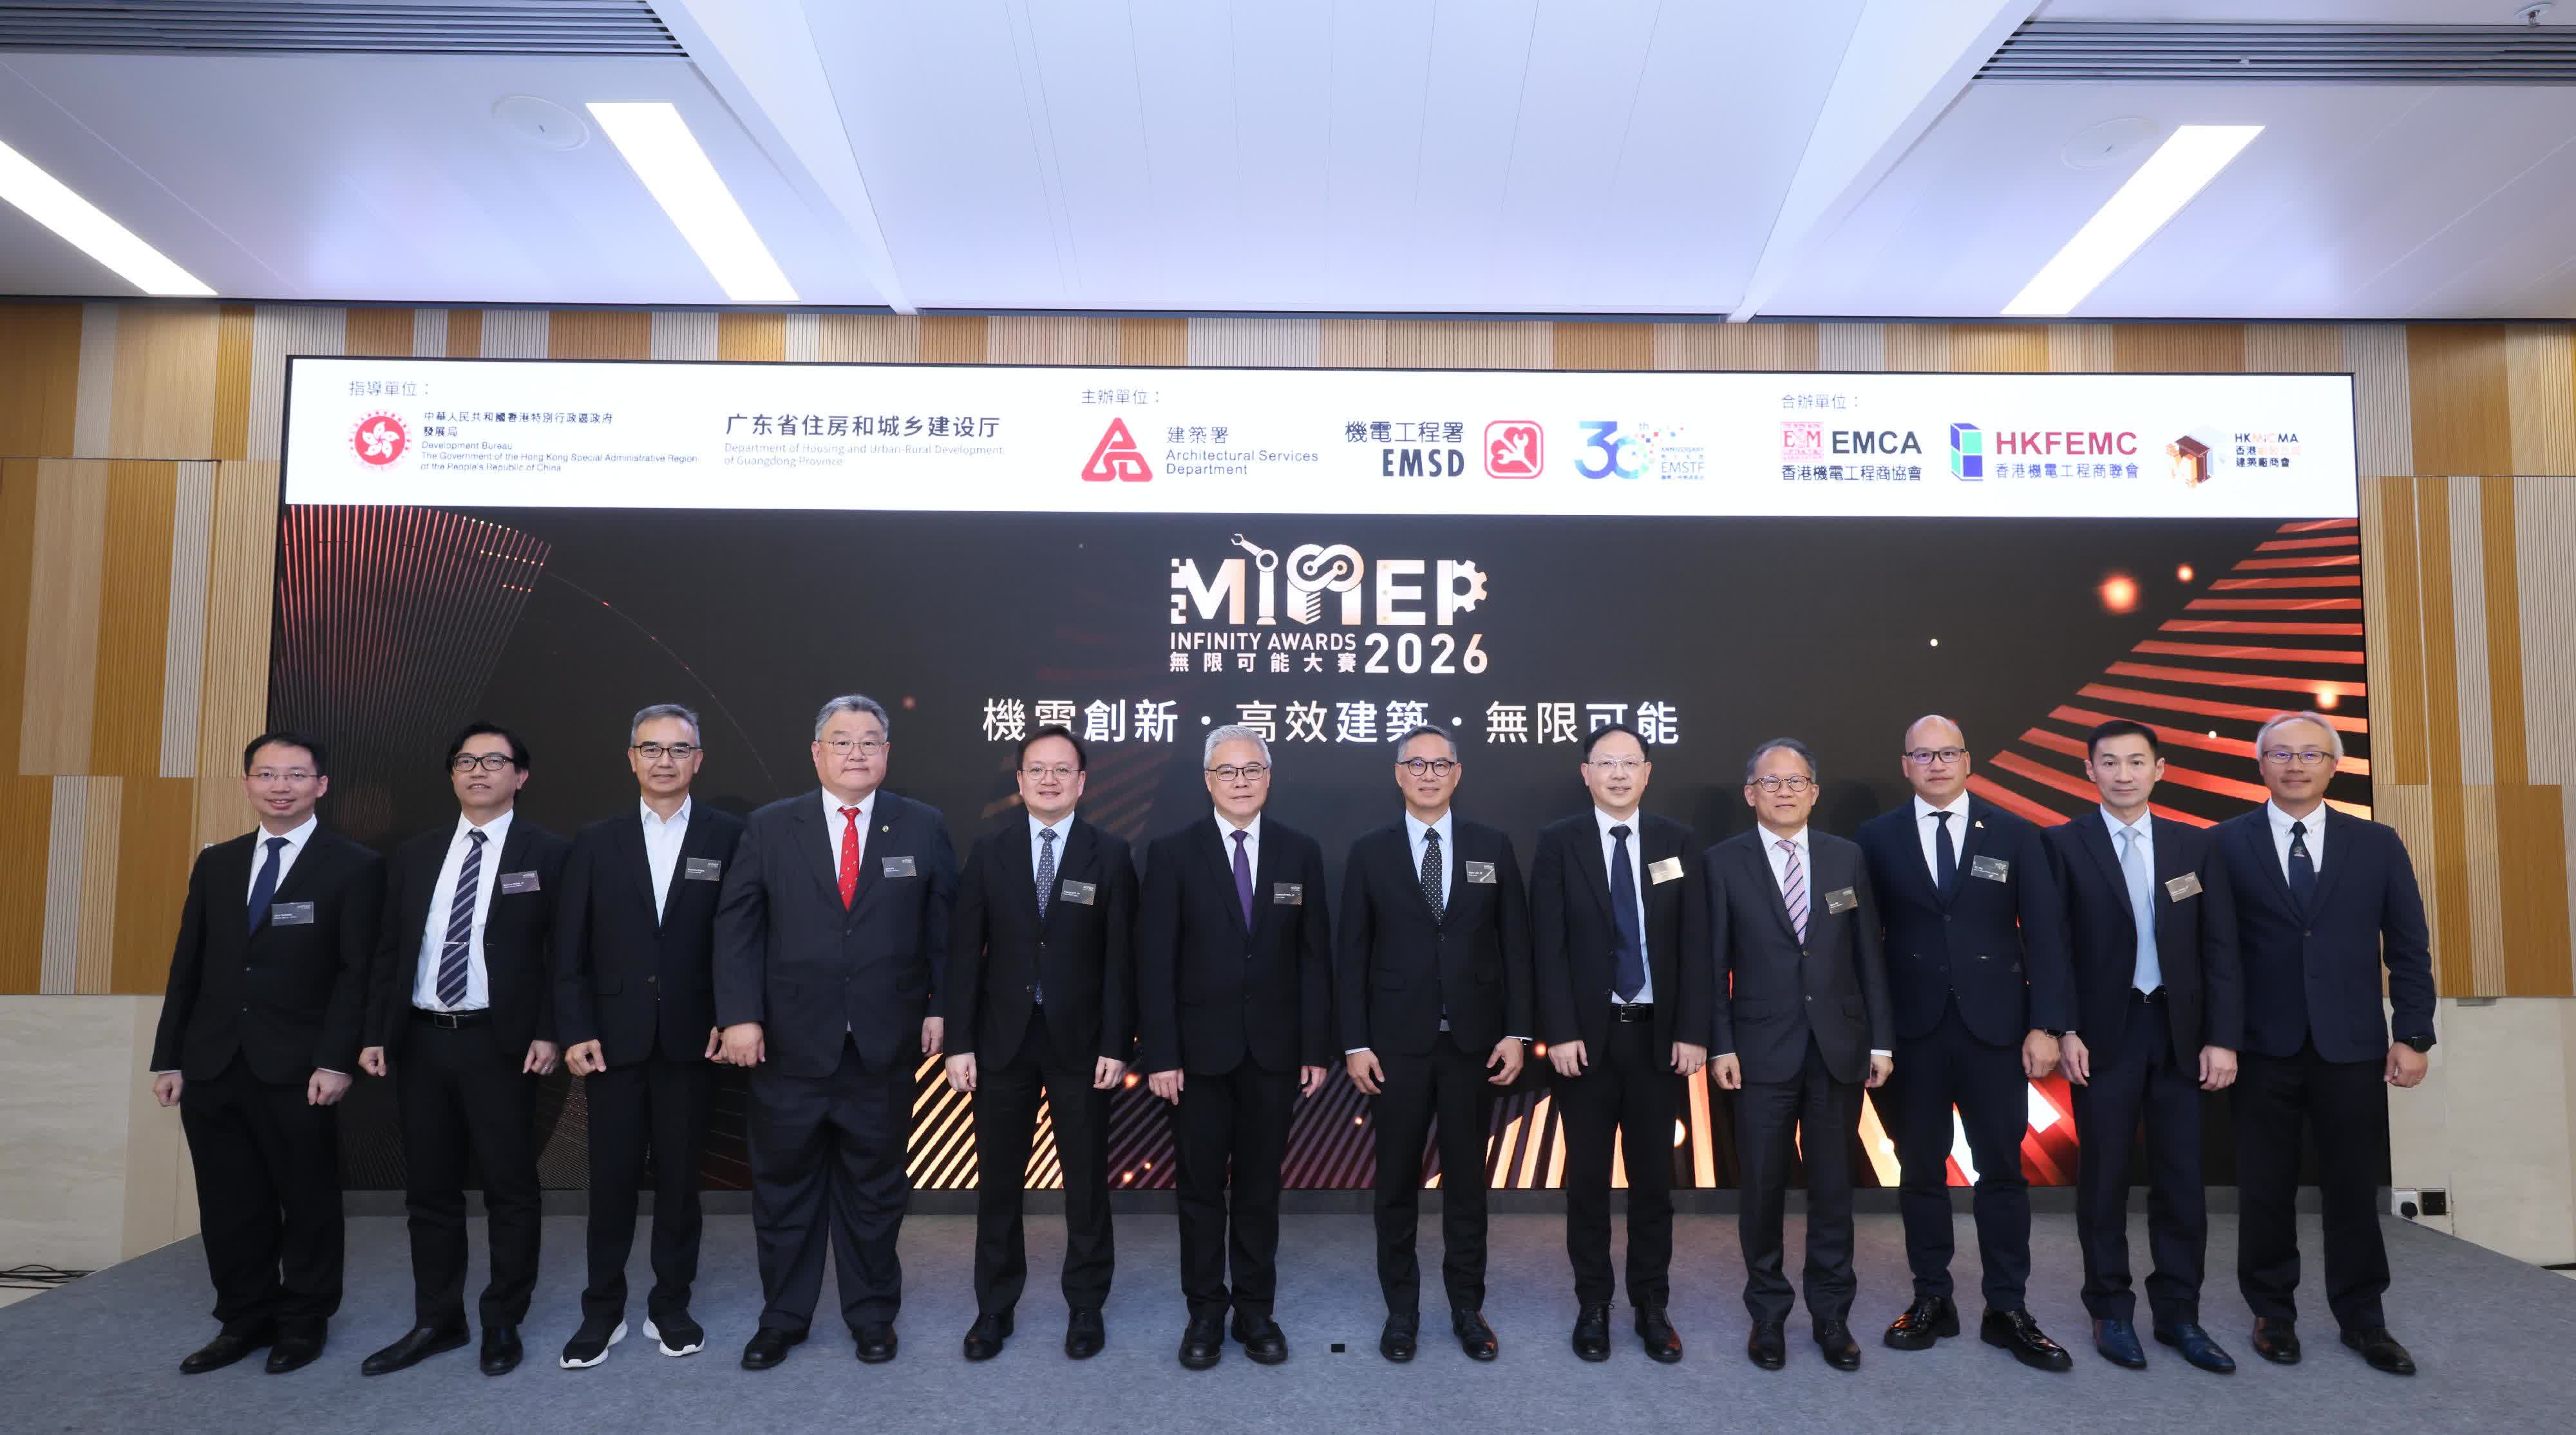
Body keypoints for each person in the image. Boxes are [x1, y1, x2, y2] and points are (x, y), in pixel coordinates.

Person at [714, 694, 957, 1370]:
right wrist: (739, 1015)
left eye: (870, 741)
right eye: (842, 741)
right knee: (784, 1189)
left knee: (875, 1191)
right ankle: (783, 1318)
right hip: (787, 1044)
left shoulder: (922, 825)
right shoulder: (771, 826)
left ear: (887, 753)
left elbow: (945, 930)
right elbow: (737, 928)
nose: (857, 753)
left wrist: (941, 1007)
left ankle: (872, 1315)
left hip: (883, 1044)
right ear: (816, 753)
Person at [152, 732, 385, 1376]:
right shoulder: (218, 863)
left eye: (296, 775)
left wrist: (336, 1060)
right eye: (266, 774)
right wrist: (169, 1057)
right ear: (248, 783)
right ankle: (243, 1318)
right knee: (229, 1202)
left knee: (307, 1201)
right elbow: (188, 966)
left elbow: (357, 973)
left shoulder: (356, 865)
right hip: (213, 1063)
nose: (280, 786)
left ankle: (304, 1321)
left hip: (300, 1067)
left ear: (321, 786)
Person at [2216, 710, 2434, 1376]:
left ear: (2334, 766)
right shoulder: (2222, 843)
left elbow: (2408, 945)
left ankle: (2363, 1319)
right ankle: (2271, 1312)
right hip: (2260, 1046)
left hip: (2352, 1046)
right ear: (2261, 764)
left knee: (2352, 1188)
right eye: (2281, 754)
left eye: (2311, 754)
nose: (2296, 765)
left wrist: (2413, 1033)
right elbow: (2213, 952)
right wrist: (2218, 1037)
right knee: (2264, 1188)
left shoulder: (2376, 843)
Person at [1853, 716, 2070, 1370]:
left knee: (2001, 1171)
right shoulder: (1876, 838)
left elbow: (2046, 933)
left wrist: (2047, 1024)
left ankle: (2007, 1306)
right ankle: (1932, 1298)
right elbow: (1862, 944)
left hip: (1997, 1030)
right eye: (1923, 754)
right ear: (1905, 765)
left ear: (1967, 760)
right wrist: (1874, 1035)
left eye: (1947, 752)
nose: (1937, 763)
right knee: (1920, 1170)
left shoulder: (2014, 833)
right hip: (1912, 1033)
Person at [359, 722, 569, 1378]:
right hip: (422, 1040)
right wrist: (375, 1031)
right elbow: (390, 950)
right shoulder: (415, 854)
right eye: (465, 761)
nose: (478, 771)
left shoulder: (550, 853)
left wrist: (550, 1029)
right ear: (452, 774)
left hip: (501, 1044)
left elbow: (564, 953)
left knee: (510, 1187)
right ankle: (437, 1318)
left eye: (493, 761)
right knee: (429, 1189)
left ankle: (503, 1317)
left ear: (520, 776)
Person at [2040, 718, 2240, 1373]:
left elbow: (2220, 947)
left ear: (2159, 769)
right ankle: (2111, 1310)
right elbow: (2050, 945)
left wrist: (2222, 1037)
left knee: (2181, 1181)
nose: (2122, 774)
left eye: (2135, 761)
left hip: (2181, 1033)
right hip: (2103, 1034)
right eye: (2109, 762)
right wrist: (2064, 1028)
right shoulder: (2061, 844)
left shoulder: (2195, 845)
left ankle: (2179, 1314)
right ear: (2089, 770)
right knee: (2103, 1179)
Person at [551, 704, 745, 1367]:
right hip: (611, 1040)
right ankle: (601, 1311)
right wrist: (575, 1028)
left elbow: (741, 938)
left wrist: (731, 1013)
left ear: (699, 759)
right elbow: (569, 948)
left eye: (679, 749)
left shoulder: (730, 837)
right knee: (610, 1181)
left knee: (681, 1184)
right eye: (652, 748)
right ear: (631, 758)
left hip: (695, 1039)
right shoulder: (596, 840)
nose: (665, 760)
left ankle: (671, 1305)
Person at [1133, 724, 1332, 1371]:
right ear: (1207, 781)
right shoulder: (1172, 853)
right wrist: (1161, 1053)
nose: (1240, 781)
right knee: (1198, 1189)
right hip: (1194, 1057)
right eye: (1227, 771)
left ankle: (1255, 1310)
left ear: (1268, 778)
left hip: (1274, 1053)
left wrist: (1315, 1047)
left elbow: (1313, 958)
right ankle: (1204, 1312)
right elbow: (1154, 961)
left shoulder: (1299, 851)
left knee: (1258, 1188)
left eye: (1251, 770)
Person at [1337, 724, 1532, 1363]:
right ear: (1398, 774)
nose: (1428, 775)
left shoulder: (1491, 845)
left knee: (1467, 1184)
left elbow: (1516, 945)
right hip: (1395, 1047)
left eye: (1440, 764)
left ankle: (1467, 1307)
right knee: (1395, 1184)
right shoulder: (1370, 851)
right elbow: (1351, 952)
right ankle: (1402, 1311)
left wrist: (1516, 1031)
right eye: (1415, 764)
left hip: (1474, 1045)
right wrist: (1355, 1042)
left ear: (1457, 773)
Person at [944, 725, 1136, 1362]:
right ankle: (994, 1308)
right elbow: (963, 955)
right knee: (999, 1182)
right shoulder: (989, 851)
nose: (1049, 779)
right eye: (1037, 769)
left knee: (1086, 1184)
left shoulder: (1111, 854)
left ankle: (1086, 1306)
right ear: (1020, 780)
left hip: (1082, 1045)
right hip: (1002, 1042)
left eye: (1062, 769)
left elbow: (1121, 961)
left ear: (1082, 782)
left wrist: (1117, 1042)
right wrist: (959, 1042)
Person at [1705, 738, 1891, 1373]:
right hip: (1759, 1050)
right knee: (1761, 1189)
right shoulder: (1722, 862)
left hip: (1838, 1047)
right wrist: (1721, 1044)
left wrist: (1881, 1040)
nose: (1783, 791)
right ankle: (1767, 1315)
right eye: (1771, 781)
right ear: (1749, 793)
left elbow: (1868, 954)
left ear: (1814, 791)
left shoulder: (1846, 857)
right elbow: (1712, 965)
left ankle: (1832, 1315)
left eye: (1796, 781)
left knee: (1833, 1189)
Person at [1530, 722, 1707, 1362]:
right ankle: (1594, 1304)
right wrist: (1560, 1031)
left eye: (1630, 763)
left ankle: (1651, 1304)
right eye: (1606, 763)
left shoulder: (1677, 841)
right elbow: (1546, 945)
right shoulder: (1559, 843)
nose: (1618, 774)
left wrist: (1693, 1030)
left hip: (1658, 1039)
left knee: (1654, 1181)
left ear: (1648, 772)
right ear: (1586, 774)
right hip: (1586, 1042)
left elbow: (1696, 943)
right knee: (1586, 1180)